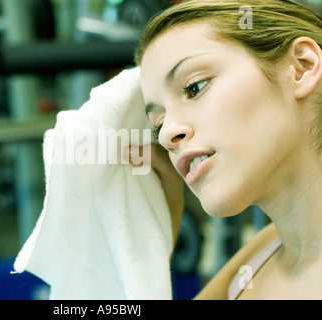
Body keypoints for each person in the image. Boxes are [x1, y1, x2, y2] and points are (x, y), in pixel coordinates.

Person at [131, 0, 322, 299]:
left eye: (194, 87)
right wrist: (162, 214)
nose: (167, 134)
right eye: (158, 123)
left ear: (301, 67)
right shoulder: (261, 256)